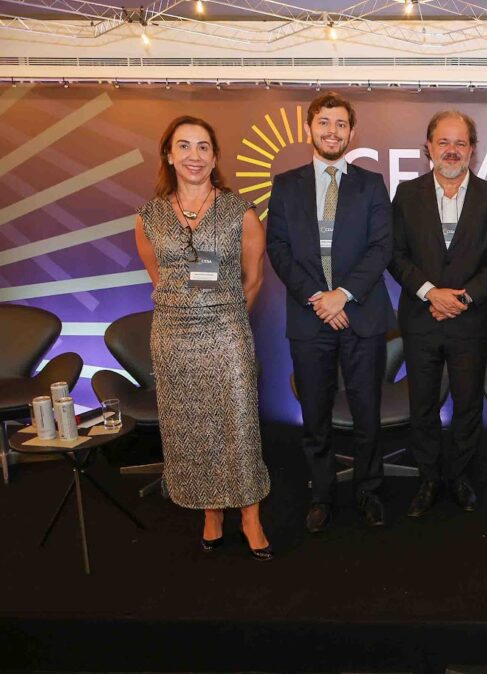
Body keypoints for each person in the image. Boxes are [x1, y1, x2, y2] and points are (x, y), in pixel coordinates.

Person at [135, 116, 272, 561]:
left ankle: (250, 517)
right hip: (173, 337)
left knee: (239, 427)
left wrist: (222, 316)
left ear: (215, 157)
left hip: (227, 333)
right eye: (184, 146)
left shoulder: (240, 211)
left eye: (203, 147)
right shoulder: (149, 216)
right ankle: (210, 512)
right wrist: (188, 311)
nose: (194, 156)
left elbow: (253, 279)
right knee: (192, 429)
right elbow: (160, 278)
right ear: (168, 155)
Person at [266, 92, 395, 530]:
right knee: (315, 416)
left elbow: (381, 247)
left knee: (366, 413)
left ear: (352, 133)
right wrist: (319, 298)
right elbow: (278, 249)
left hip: (361, 315)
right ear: (309, 129)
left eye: (341, 124)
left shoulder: (371, 183)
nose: (332, 131)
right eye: (324, 122)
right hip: (310, 317)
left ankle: (368, 489)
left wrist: (343, 294)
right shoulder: (286, 185)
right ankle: (321, 494)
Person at [388, 111, 487, 517]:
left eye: (460, 143)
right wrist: (430, 293)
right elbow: (395, 254)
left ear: (473, 150)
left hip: (469, 320)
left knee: (468, 403)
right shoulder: (407, 194)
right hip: (421, 319)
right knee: (422, 403)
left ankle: (458, 476)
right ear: (428, 148)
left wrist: (464, 298)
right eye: (443, 142)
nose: (451, 151)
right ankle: (428, 478)